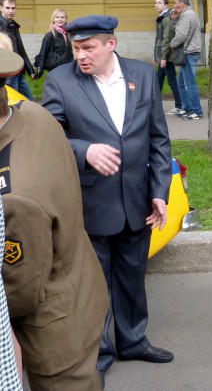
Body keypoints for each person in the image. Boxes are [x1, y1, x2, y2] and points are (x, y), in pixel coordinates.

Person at [40, 15, 173, 385]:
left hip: (138, 200)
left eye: (88, 48)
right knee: (93, 282)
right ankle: (98, 351)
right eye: (76, 49)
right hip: (89, 201)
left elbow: (158, 140)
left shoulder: (143, 76)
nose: (80, 56)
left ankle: (133, 341)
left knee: (132, 276)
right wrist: (84, 151)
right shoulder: (60, 81)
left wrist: (159, 193)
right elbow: (49, 137)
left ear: (110, 44)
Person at [0, 47, 109, 390]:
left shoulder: (12, 195)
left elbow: (18, 293)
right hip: (80, 293)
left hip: (49, 333)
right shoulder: (33, 115)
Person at [170, 0, 203, 120]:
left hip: (189, 52)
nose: (174, 5)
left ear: (182, 4)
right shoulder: (187, 14)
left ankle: (197, 111)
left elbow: (181, 35)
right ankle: (187, 108)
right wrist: (174, 19)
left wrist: (171, 44)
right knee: (181, 82)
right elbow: (181, 31)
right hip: (190, 51)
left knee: (190, 83)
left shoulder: (186, 15)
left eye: (176, 2)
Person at [0, 0, 35, 100]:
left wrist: (30, 70)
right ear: (1, 8)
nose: (11, 11)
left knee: (28, 101)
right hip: (8, 71)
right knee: (11, 102)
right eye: (7, 8)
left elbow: (20, 49)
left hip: (18, 70)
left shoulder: (13, 25)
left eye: (13, 8)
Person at [154, 0, 183, 115]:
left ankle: (179, 106)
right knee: (158, 81)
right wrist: (156, 55)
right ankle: (154, 106)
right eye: (155, 3)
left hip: (167, 56)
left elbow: (167, 39)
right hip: (163, 55)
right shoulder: (162, 17)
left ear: (166, 5)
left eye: (159, 3)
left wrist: (163, 58)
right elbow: (158, 39)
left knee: (171, 81)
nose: (156, 5)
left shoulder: (166, 18)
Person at [33, 8, 74, 78]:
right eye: (57, 17)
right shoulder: (50, 35)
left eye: (62, 17)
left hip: (68, 69)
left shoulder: (68, 34)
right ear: (53, 19)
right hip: (55, 70)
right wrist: (40, 70)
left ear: (66, 19)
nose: (60, 19)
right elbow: (43, 53)